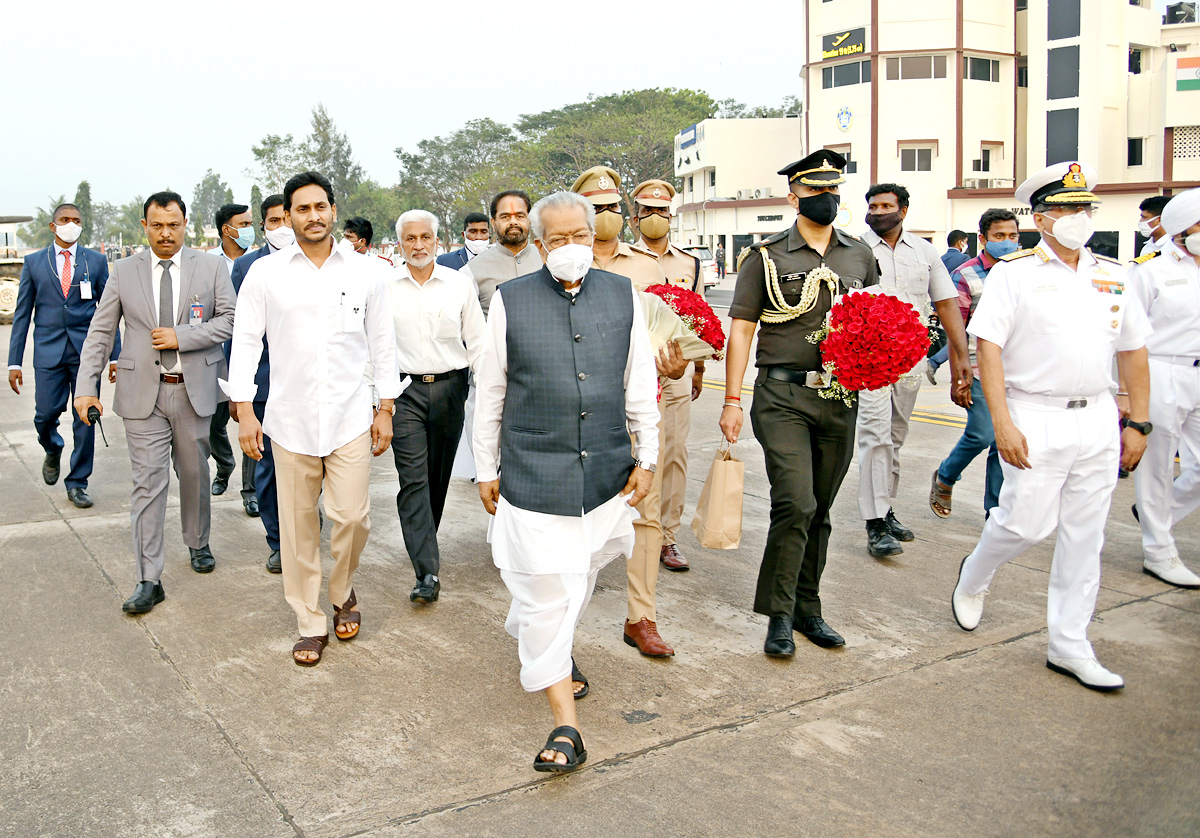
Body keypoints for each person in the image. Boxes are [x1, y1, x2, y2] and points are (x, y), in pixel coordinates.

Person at [474, 190, 658, 772]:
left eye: (579, 235)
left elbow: (640, 386)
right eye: (557, 239)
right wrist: (486, 468)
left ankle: (539, 632)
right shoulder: (510, 300)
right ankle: (565, 727)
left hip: (604, 473)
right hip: (532, 473)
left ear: (594, 232)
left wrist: (646, 456)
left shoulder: (624, 295)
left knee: (573, 578)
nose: (571, 246)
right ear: (538, 242)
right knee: (550, 592)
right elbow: (492, 395)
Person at [951, 161, 1152, 692]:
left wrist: (1140, 422)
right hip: (1034, 414)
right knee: (1024, 525)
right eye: (1065, 209)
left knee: (1086, 537)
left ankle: (1069, 644)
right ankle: (976, 571)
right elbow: (987, 348)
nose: (1077, 217)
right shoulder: (1014, 273)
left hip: (1099, 418)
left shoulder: (1114, 272)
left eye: (1083, 207)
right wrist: (1003, 423)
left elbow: (1132, 350)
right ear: (1040, 218)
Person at [228, 172, 400, 666]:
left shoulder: (366, 271)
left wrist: (385, 407)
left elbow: (382, 344)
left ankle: (343, 589)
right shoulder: (266, 274)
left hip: (350, 418)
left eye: (321, 206)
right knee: (299, 527)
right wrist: (244, 411)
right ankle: (309, 620)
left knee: (351, 517)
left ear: (333, 209)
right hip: (289, 421)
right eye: (302, 209)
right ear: (288, 216)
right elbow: (245, 344)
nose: (314, 216)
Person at [721, 149, 879, 657]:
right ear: (795, 196)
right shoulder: (766, 257)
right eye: (815, 190)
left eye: (834, 190)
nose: (827, 198)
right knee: (796, 502)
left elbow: (878, 319)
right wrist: (732, 398)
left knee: (822, 509)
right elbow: (742, 329)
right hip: (781, 394)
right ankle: (780, 615)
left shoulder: (858, 254)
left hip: (840, 395)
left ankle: (810, 609)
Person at [74, 191, 236, 613]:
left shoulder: (213, 265)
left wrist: (183, 336)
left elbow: (231, 320)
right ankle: (149, 577)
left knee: (194, 474)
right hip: (141, 393)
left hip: (193, 389)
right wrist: (86, 387)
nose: (166, 233)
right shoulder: (123, 271)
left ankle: (198, 542)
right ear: (144, 226)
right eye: (157, 225)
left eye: (174, 225)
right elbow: (100, 331)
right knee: (147, 485)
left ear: (186, 224)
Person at [858, 183, 970, 558]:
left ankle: (885, 509)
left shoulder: (925, 252)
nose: (877, 212)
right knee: (875, 435)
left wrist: (961, 357)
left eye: (885, 206)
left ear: (903, 210)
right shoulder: (855, 249)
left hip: (909, 360)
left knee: (894, 436)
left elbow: (947, 304)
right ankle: (875, 523)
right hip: (867, 361)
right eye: (872, 206)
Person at [387, 209, 486, 603]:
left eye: (425, 237)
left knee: (436, 477)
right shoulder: (385, 286)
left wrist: (493, 392)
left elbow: (477, 343)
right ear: (400, 244)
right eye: (410, 239)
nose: (418, 245)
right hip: (404, 392)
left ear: (437, 241)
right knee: (412, 479)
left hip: (450, 389)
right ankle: (426, 571)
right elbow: (373, 345)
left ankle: (424, 540)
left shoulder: (459, 284)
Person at [8, 202, 120, 508]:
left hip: (87, 354)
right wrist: (14, 361)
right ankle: (52, 447)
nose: (71, 224)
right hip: (47, 353)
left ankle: (77, 482)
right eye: (65, 219)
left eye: (76, 220)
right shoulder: (33, 263)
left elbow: (109, 312)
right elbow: (22, 316)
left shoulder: (95, 262)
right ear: (52, 226)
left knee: (85, 418)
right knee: (44, 414)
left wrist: (114, 356)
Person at [1125, 188, 1200, 589]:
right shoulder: (1149, 269)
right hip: (1161, 371)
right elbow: (1126, 335)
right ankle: (1159, 551)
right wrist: (1125, 394)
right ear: (1179, 227)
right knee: (1154, 469)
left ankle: (1156, 513)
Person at [630, 177, 704, 577]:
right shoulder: (622, 258)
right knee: (630, 452)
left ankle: (666, 536)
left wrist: (699, 368)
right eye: (648, 211)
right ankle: (627, 529)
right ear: (635, 216)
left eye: (662, 212)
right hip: (629, 372)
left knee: (672, 452)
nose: (655, 218)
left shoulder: (689, 264)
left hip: (674, 371)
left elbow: (702, 321)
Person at [929, 209, 1019, 520]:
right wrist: (958, 377)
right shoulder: (965, 275)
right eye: (999, 236)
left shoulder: (1024, 272)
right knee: (982, 433)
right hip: (979, 370)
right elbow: (956, 331)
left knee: (1003, 442)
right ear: (982, 239)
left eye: (1012, 236)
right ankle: (946, 475)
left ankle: (994, 510)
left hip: (1017, 371)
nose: (1007, 242)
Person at [229, 193, 292, 573]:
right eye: (272, 221)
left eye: (287, 219)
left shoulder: (318, 262)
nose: (281, 228)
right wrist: (240, 394)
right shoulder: (247, 267)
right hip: (265, 384)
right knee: (268, 467)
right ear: (263, 226)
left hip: (307, 385)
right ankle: (278, 541)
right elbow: (238, 334)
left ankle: (301, 524)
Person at [208, 203, 258, 516]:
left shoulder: (260, 262)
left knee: (251, 419)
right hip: (215, 354)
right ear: (227, 229)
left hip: (251, 355)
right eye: (244, 223)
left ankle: (250, 490)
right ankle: (225, 463)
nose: (249, 229)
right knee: (214, 424)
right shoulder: (206, 263)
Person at [571, 166, 667, 292]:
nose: (606, 214)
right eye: (596, 208)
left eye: (612, 206)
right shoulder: (567, 263)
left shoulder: (649, 265)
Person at [460, 191, 542, 317]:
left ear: (529, 220)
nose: (513, 222)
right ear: (493, 223)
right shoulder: (471, 271)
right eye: (505, 217)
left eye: (520, 216)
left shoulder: (549, 259)